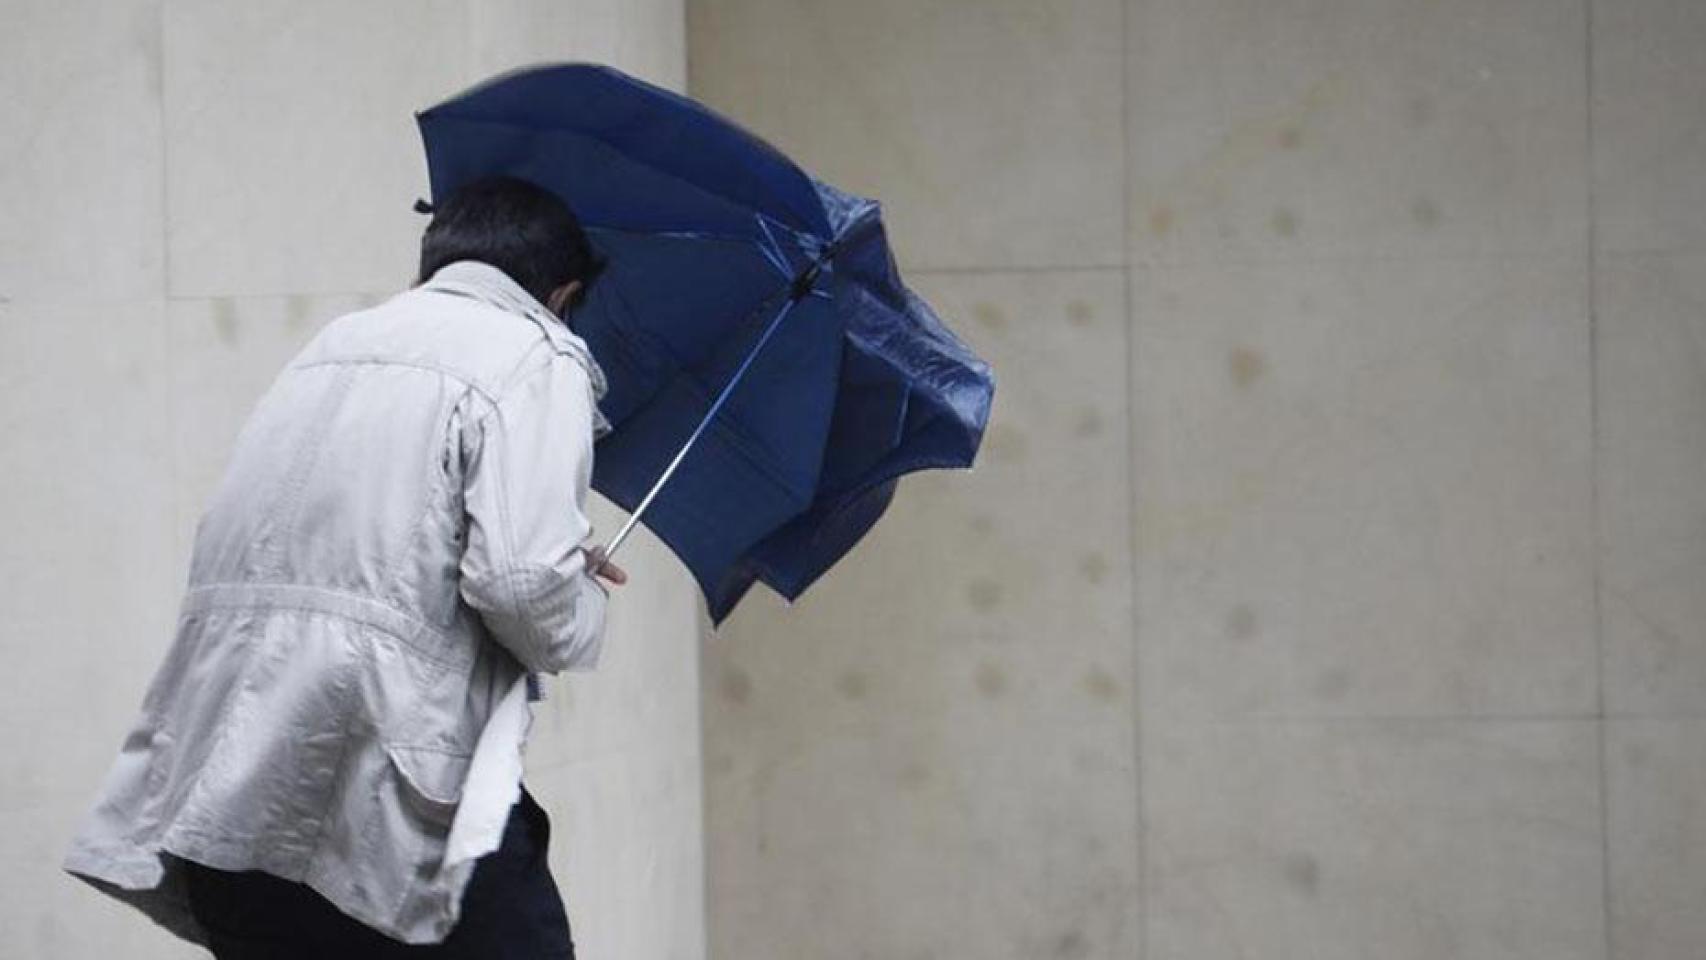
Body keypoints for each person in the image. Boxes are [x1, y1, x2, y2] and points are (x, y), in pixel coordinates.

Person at [61, 175, 626, 958]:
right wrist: (582, 599)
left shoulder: (331, 349)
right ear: (562, 294)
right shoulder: (536, 354)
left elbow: (352, 546)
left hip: (231, 790)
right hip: (390, 818)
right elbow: (521, 583)